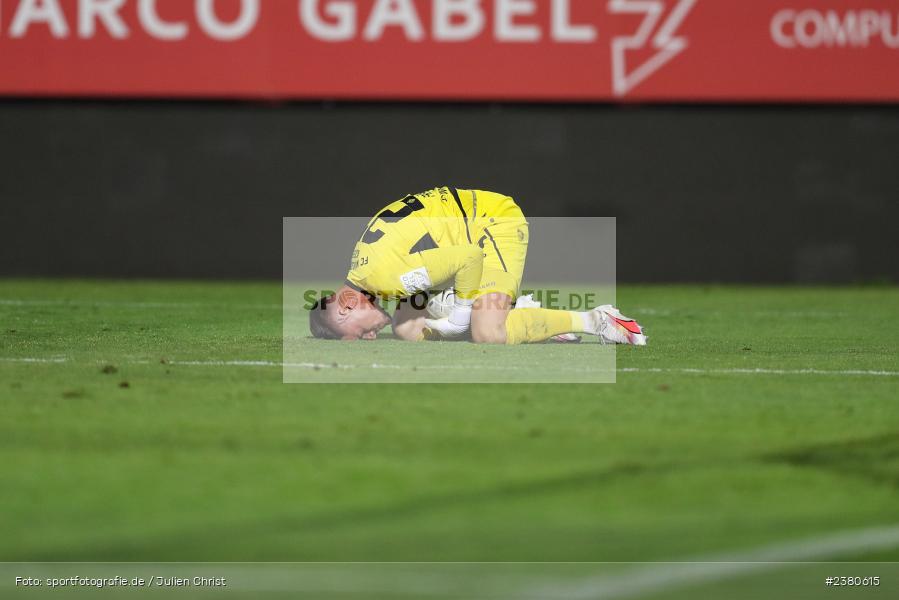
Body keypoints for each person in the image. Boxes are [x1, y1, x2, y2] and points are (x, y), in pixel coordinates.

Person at [309, 186, 646, 345]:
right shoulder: (366, 273)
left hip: (491, 224)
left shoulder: (384, 276)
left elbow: (469, 256)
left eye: (360, 331)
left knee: (487, 333)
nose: (370, 337)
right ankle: (512, 312)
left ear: (348, 305)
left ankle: (596, 319)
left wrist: (458, 314)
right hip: (458, 237)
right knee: (408, 331)